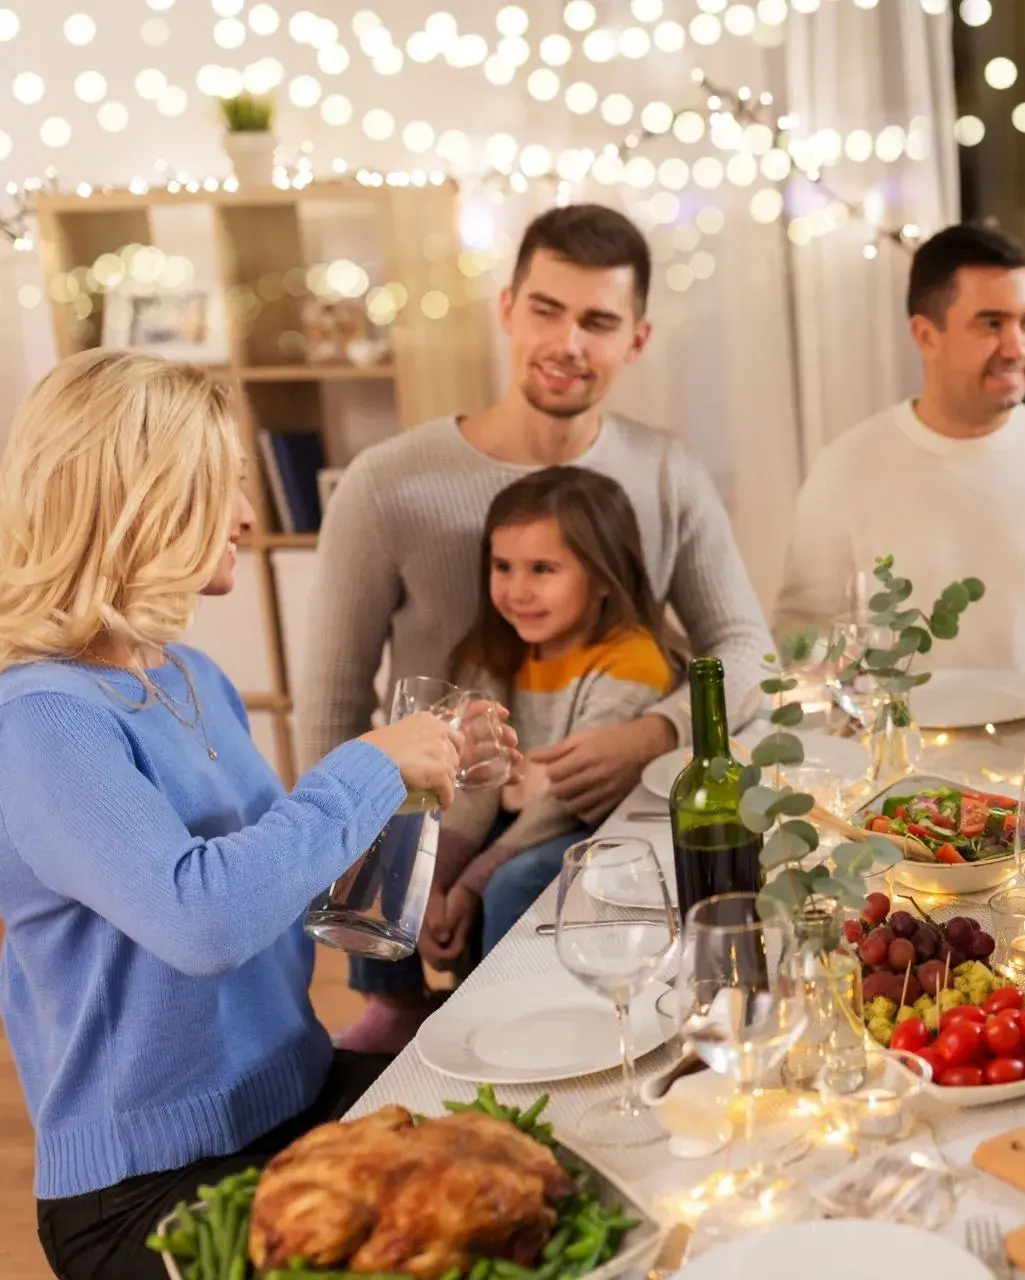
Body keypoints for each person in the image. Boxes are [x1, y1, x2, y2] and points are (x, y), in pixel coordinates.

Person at [0, 352, 471, 1280]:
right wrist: (368, 764)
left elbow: (288, 896)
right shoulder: (40, 721)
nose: (249, 518)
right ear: (137, 502)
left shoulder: (190, 678)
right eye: (221, 489)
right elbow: (205, 920)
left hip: (293, 1098)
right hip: (150, 1186)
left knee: (517, 1173)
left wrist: (412, 795)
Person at [299, 202, 769, 824]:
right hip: (436, 841)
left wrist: (657, 733)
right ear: (507, 309)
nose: (567, 344)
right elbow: (332, 708)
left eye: (598, 321)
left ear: (637, 339)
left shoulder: (667, 471)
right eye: (546, 311)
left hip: (618, 836)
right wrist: (371, 866)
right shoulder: (385, 483)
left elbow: (748, 654)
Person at [336, 466, 681, 1053]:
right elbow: (474, 782)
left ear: (603, 577)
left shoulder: (631, 661)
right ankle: (394, 1002)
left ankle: (501, 1012)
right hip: (514, 811)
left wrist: (470, 884)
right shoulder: (494, 651)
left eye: (542, 569)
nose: (517, 590)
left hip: (586, 822)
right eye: (503, 568)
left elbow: (561, 797)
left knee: (513, 882)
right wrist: (438, 878)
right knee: (385, 840)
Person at [773, 222, 1025, 669]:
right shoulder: (846, 467)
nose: (1017, 347)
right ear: (926, 336)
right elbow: (801, 634)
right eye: (991, 324)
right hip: (900, 738)